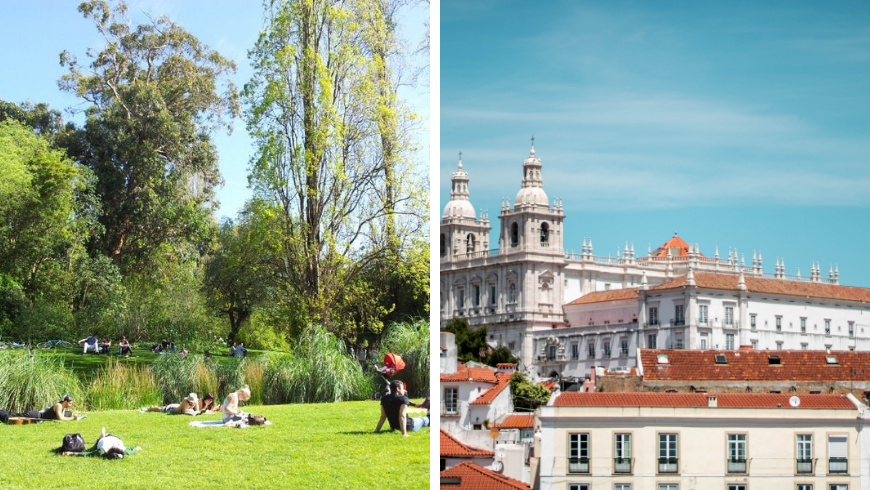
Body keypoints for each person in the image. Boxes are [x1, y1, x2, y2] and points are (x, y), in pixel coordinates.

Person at [59, 427, 141, 459]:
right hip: (108, 439)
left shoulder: (123, 450)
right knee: (90, 449)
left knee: (93, 449)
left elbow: (132, 450)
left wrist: (137, 448)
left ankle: (101, 436)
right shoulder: (102, 451)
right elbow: (86, 454)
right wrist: (70, 453)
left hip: (114, 438)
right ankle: (102, 437)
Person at [0, 395, 82, 423]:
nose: (71, 405)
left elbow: (63, 417)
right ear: (65, 401)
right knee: (10, 418)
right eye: (70, 403)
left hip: (37, 416)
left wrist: (73, 416)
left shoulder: (62, 407)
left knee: (14, 415)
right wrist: (73, 418)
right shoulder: (59, 406)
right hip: (34, 415)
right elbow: (60, 418)